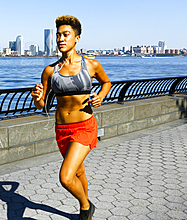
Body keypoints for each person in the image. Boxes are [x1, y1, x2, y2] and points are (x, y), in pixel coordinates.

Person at [31, 15, 111, 220]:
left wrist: (100, 97)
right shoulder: (50, 71)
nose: (60, 39)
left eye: (66, 35)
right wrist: (37, 98)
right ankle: (86, 205)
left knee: (66, 177)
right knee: (78, 172)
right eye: (58, 35)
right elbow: (43, 106)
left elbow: (106, 82)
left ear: (77, 38)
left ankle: (86, 207)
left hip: (84, 126)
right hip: (62, 130)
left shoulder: (91, 65)